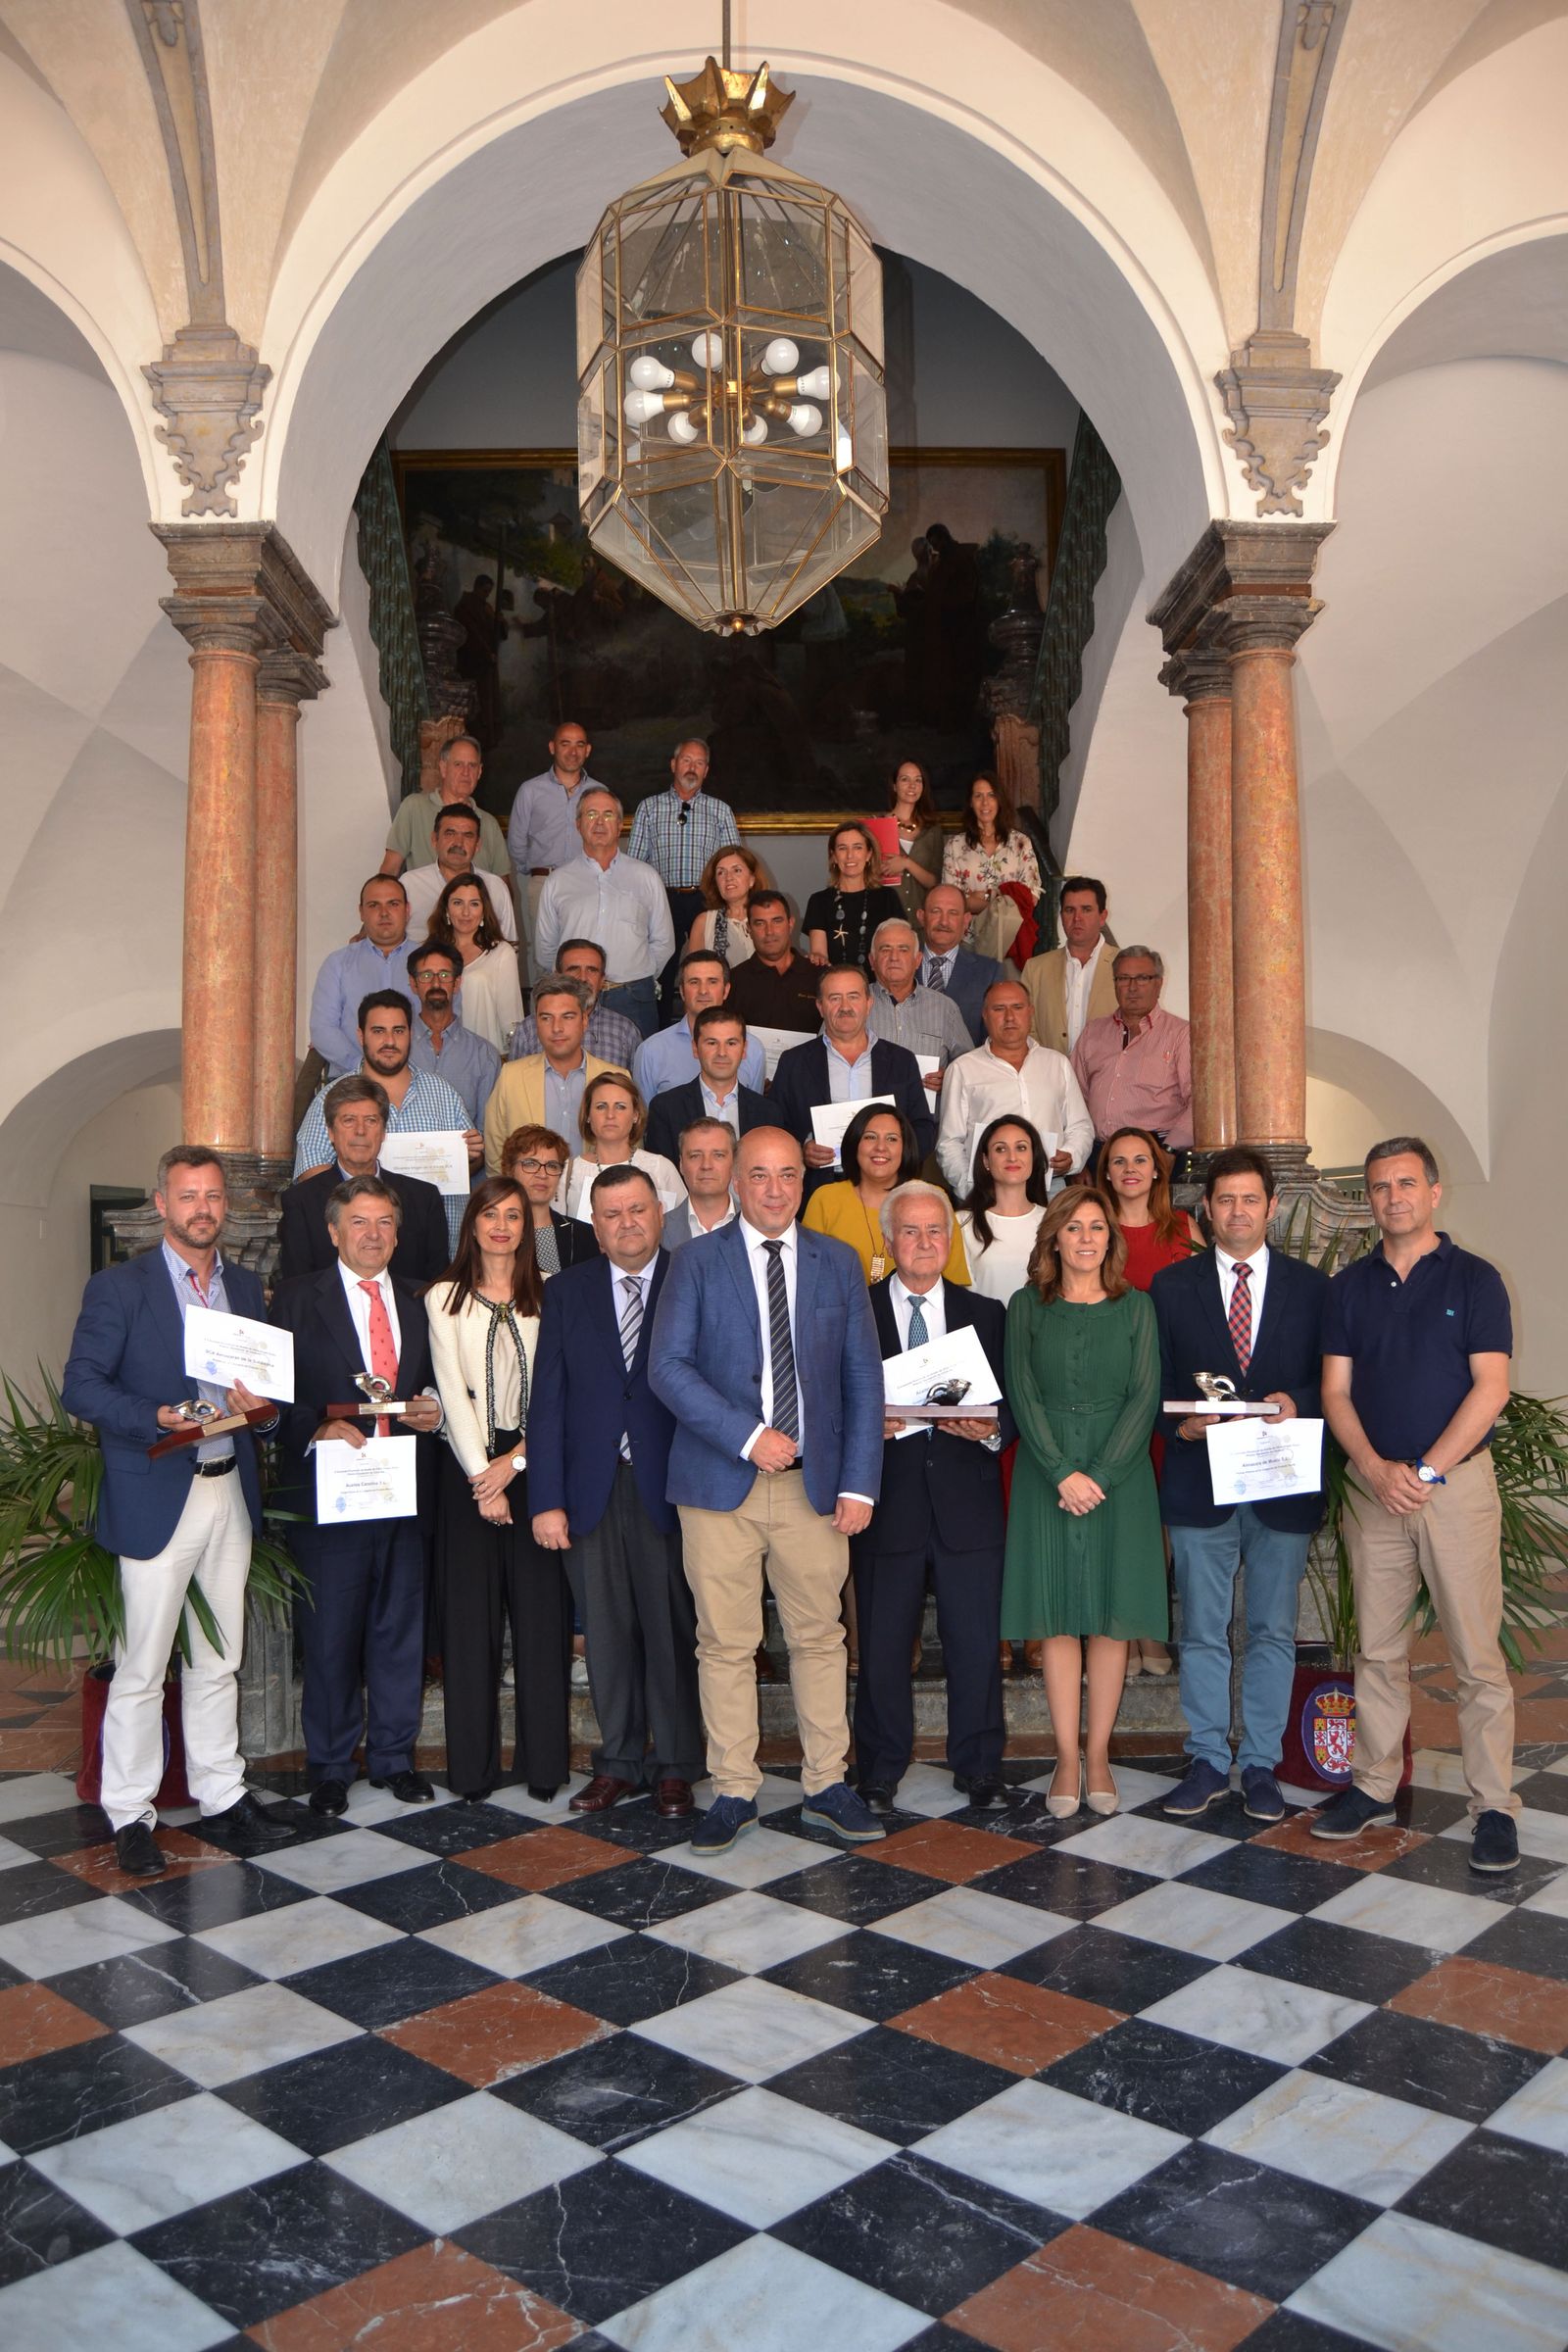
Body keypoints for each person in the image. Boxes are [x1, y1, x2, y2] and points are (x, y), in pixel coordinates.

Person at [649, 1127, 886, 1853]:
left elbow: (861, 1379)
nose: (776, 1188)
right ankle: (733, 1790)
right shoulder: (692, 1262)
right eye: (760, 1175)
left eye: (789, 1174)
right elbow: (668, 1368)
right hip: (722, 1481)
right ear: (735, 1182)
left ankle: (826, 1784)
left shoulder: (837, 1263)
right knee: (724, 1642)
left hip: (816, 1487)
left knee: (820, 1637)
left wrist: (861, 1484)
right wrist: (749, 1436)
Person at [61, 1147, 294, 1877]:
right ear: (161, 1203)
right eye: (189, 1195)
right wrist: (156, 1415)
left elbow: (268, 1400)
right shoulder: (119, 1288)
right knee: (141, 1665)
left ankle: (222, 1795)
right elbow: (82, 1387)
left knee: (219, 1657)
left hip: (230, 1486)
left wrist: (263, 1413)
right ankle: (131, 1814)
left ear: (226, 1207)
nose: (203, 1208)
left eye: (214, 1196)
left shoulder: (247, 1287)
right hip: (158, 1485)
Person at [1313, 1137, 1519, 1875]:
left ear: (1434, 1191)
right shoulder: (1349, 1288)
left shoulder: (1477, 1278)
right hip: (1376, 1493)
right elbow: (1335, 1392)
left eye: (1405, 1183)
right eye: (1378, 1186)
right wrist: (1373, 1467)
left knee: (1475, 1655)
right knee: (1377, 1649)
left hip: (1454, 1489)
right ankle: (1371, 1786)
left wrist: (1427, 1471)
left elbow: (1489, 1388)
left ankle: (1493, 1805)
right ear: (1368, 1199)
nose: (1392, 1196)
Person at [1152, 1149, 1330, 1821]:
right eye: (1224, 1200)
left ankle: (1258, 1764)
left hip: (1281, 1486)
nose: (1237, 1211)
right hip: (1201, 1484)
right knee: (1200, 1630)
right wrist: (1183, 1426)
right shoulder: (1172, 1289)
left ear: (1272, 1206)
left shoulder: (1314, 1288)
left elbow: (1335, 1380)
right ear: (1207, 1209)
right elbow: (1158, 1384)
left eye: (1250, 1199)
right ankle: (1205, 1759)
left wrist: (1300, 1402)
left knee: (1271, 1632)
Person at [530, 1166, 705, 1817]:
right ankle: (620, 1761)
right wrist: (546, 1498)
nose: (625, 1223)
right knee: (605, 1633)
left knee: (671, 1630)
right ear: (593, 1225)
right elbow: (547, 1401)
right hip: (590, 1491)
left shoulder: (692, 1279)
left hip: (675, 1485)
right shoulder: (568, 1291)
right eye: (610, 1214)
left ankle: (678, 1764)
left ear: (659, 1214)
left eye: (636, 1210)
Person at [270, 1176, 445, 1814]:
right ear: (334, 1231)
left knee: (400, 1632)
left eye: (384, 1224)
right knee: (331, 1636)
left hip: (404, 1491)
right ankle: (331, 1765)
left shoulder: (423, 1300)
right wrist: (314, 1424)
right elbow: (271, 1397)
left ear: (399, 1235)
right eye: (360, 1223)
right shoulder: (294, 1300)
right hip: (329, 1497)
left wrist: (435, 1412)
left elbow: (435, 1386)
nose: (373, 1235)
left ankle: (395, 1758)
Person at [1003, 1186, 1164, 1819]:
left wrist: (1096, 1472)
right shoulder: (1025, 1307)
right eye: (1075, 1228)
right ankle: (1065, 1758)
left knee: (1111, 1616)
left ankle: (1098, 1755)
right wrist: (1061, 1471)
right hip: (1048, 1477)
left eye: (1097, 1227)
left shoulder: (1136, 1309)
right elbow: (1022, 1392)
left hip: (1118, 1477)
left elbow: (1144, 1395)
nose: (1088, 1238)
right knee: (1058, 1616)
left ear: (1110, 1240)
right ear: (1055, 1240)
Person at [853, 1183, 1013, 1813]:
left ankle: (979, 1765)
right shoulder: (855, 1310)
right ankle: (880, 1767)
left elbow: (1012, 1409)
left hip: (966, 1506)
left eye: (936, 1232)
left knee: (975, 1645)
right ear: (889, 1241)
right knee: (884, 1646)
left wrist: (992, 1428)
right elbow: (831, 1404)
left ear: (950, 1240)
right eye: (911, 1232)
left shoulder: (988, 1313)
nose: (924, 1243)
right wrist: (868, 1425)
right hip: (884, 1502)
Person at [426, 1178, 568, 1803]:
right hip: (467, 1477)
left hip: (537, 1471)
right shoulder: (441, 1298)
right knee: (470, 1628)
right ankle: (473, 1771)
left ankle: (543, 1767)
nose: (503, 1226)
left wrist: (514, 1465)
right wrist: (484, 1478)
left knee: (541, 1623)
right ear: (472, 1223)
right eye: (491, 1214)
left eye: (514, 1215)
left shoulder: (552, 1296)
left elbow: (561, 1395)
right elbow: (451, 1393)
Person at [1102, 1124, 1199, 1678]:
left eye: (1141, 1159)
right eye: (1119, 1161)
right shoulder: (1092, 1228)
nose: (1131, 1170)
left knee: (1156, 1515)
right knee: (1117, 1512)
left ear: (1159, 1168)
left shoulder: (1184, 1228)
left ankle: (1149, 1629)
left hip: (1166, 1389)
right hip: (1109, 1389)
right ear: (1106, 1172)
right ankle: (1119, 1628)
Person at [295, 992, 478, 1252]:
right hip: (363, 1250)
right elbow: (310, 1173)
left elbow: (467, 1167)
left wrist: (470, 1153)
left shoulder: (442, 1092)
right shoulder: (332, 1098)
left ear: (410, 1034)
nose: (389, 1041)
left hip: (441, 1249)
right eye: (379, 1031)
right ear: (361, 1036)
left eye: (398, 1031)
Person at [770, 963, 935, 1198]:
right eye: (834, 998)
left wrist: (893, 1154)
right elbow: (775, 1128)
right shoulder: (793, 1062)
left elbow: (924, 1129)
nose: (845, 1007)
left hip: (888, 1192)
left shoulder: (901, 1061)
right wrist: (800, 1151)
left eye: (853, 997)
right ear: (820, 1006)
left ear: (869, 1004)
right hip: (818, 1190)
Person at [277, 1075, 449, 1286]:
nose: (360, 1131)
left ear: (384, 1131)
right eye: (349, 1120)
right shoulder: (301, 1201)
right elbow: (297, 1291)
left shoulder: (424, 1199)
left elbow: (439, 1288)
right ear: (331, 1132)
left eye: (371, 1120)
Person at [534, 787, 674, 1037]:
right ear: (578, 824)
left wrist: (636, 975)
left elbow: (664, 942)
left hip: (633, 999)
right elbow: (546, 948)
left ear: (620, 825)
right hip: (574, 998)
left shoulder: (646, 877)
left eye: (608, 815)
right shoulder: (558, 880)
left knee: (635, 1074)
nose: (599, 822)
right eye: (591, 814)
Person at [938, 978, 1094, 1200]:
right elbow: (949, 1142)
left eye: (1017, 1007)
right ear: (985, 1014)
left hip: (1049, 1188)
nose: (1009, 1017)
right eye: (999, 1009)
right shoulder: (963, 1069)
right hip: (988, 1190)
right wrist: (972, 1190)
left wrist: (1072, 1156)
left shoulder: (1057, 1064)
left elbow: (1080, 1126)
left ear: (1030, 1011)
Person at [805, 1102, 970, 1286]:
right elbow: (808, 1278)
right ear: (855, 1144)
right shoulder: (825, 1199)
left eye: (892, 1139)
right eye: (870, 1137)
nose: (880, 1147)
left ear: (905, 1147)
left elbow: (955, 1283)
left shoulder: (932, 1198)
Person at [627, 736, 742, 1000]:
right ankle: (660, 1031)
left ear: (706, 771)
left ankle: (715, 1022)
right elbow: (635, 864)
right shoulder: (649, 808)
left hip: (707, 900)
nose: (692, 768)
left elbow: (733, 863)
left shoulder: (720, 810)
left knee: (711, 965)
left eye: (699, 763)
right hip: (662, 899)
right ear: (673, 764)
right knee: (662, 969)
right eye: (687, 761)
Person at [483, 973, 626, 1174]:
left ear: (584, 1020)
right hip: (529, 1200)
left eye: (567, 1017)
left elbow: (632, 1151)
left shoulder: (617, 1078)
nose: (557, 1028)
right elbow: (495, 1153)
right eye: (546, 1018)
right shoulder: (511, 1077)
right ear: (536, 1024)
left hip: (599, 1199)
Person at [1071, 946, 1193, 1152]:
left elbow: (1199, 1103)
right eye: (1124, 978)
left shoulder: (1181, 1034)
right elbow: (1072, 1099)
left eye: (1142, 978)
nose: (1132, 987)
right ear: (1115, 984)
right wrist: (1078, 1158)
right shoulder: (1093, 1032)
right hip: (1098, 1154)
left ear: (1159, 983)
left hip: (1156, 1152)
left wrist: (1169, 1151)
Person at [506, 718, 599, 981]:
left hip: (586, 884)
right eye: (565, 743)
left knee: (585, 954)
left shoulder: (599, 792)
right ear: (552, 747)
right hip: (543, 882)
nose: (572, 751)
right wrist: (536, 871)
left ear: (588, 750)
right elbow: (516, 842)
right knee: (544, 956)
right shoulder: (530, 790)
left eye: (579, 744)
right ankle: (543, 1018)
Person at [310, 875, 415, 1074]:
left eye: (393, 904)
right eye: (374, 905)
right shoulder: (337, 964)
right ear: (361, 912)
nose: (384, 913)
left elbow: (440, 1024)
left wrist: (405, 1071)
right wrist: (362, 1066)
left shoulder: (429, 962)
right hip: (351, 1080)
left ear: (407, 910)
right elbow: (323, 1028)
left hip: (414, 1082)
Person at [632, 949, 766, 1100]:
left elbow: (754, 1114)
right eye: (694, 982)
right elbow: (644, 1119)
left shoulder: (753, 1049)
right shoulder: (651, 1051)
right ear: (682, 991)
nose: (703, 991)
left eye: (712, 982)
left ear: (726, 990)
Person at [868, 918, 974, 1105]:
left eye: (903, 949)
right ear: (872, 960)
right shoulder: (852, 1004)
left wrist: (949, 1079)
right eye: (885, 949)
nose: (894, 957)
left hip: (926, 1126)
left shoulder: (944, 1008)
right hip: (865, 1124)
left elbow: (970, 1066)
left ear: (918, 960)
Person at [645, 1004, 769, 1163]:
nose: (722, 1053)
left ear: (744, 1049)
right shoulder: (665, 1108)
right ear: (695, 1048)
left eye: (731, 1043)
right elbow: (662, 1180)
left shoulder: (767, 1112)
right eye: (712, 1043)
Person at [940, 773, 1041, 965]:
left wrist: (984, 897)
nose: (985, 802)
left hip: (1011, 942)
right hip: (970, 942)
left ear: (999, 800)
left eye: (991, 795)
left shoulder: (1020, 842)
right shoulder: (954, 846)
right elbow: (953, 902)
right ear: (970, 802)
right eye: (978, 796)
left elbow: (1031, 897)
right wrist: (1002, 904)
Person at [380, 733, 510, 882]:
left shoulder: (490, 823)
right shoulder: (414, 808)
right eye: (458, 764)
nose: (466, 773)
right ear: (443, 768)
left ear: (479, 772)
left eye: (472, 765)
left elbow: (503, 885)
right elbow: (390, 869)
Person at [560, 1069, 685, 1220]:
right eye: (601, 1106)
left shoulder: (660, 1167)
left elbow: (683, 1230)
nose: (610, 1115)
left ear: (635, 1115)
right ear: (587, 1115)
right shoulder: (568, 1172)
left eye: (620, 1106)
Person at [506, 937, 643, 1074]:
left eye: (592, 970)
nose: (583, 978)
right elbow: (515, 1086)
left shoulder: (625, 1031)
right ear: (558, 975)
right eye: (573, 969)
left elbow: (635, 1091)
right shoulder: (528, 1030)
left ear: (602, 980)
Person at [423, 873, 523, 1055]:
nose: (466, 912)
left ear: (484, 911)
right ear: (446, 909)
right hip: (437, 1056)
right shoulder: (429, 954)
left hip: (486, 1058)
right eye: (458, 903)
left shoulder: (501, 953)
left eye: (474, 904)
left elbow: (511, 1019)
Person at [956, 1114, 1053, 1303]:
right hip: (983, 1329)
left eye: (1021, 1148)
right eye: (1000, 1149)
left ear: (1034, 1156)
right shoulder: (962, 1223)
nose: (1012, 1157)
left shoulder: (1053, 1220)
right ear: (985, 1161)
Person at [403, 941, 499, 1128]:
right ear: (413, 984)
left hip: (466, 1156)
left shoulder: (483, 1054)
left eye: (445, 975)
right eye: (426, 975)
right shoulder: (397, 1048)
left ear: (457, 983)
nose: (436, 983)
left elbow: (486, 1130)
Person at [1021, 874, 1116, 1058]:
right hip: (1049, 1077)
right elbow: (1026, 1028)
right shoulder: (1035, 969)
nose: (1077, 918)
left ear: (1102, 916)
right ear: (1061, 915)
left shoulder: (1124, 966)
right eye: (1069, 910)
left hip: (1108, 1078)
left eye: (1086, 909)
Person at [402, 802, 516, 941]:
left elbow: (510, 943)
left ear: (477, 845)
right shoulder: (409, 884)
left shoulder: (495, 887)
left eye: (468, 835)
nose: (458, 843)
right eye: (450, 834)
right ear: (434, 840)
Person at [500, 1123, 601, 1276]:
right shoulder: (497, 1233)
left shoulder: (585, 1235)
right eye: (531, 1164)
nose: (542, 1174)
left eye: (552, 1166)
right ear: (509, 1170)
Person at [804, 820, 904, 970]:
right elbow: (819, 954)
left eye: (857, 847)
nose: (850, 856)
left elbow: (898, 949)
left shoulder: (887, 897)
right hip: (836, 985)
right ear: (834, 856)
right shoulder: (819, 901)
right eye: (842, 848)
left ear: (869, 854)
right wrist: (817, 958)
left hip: (880, 986)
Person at [915, 883, 1005, 1047]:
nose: (944, 921)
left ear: (966, 920)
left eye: (953, 913)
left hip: (967, 1070)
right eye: (936, 911)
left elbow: (995, 1040)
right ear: (921, 917)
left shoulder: (989, 972)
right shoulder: (899, 965)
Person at [725, 888, 821, 1033]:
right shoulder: (733, 982)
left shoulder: (819, 976)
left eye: (777, 921)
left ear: (790, 924)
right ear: (748, 929)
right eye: (760, 923)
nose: (769, 931)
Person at [882, 759, 944, 922]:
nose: (912, 785)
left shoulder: (933, 829)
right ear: (894, 786)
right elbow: (868, 878)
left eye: (918, 780)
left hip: (923, 922)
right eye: (905, 779)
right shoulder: (877, 827)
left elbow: (935, 882)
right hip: (886, 920)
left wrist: (907, 864)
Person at [662, 1116, 738, 1249]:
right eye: (695, 1156)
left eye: (718, 1155)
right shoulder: (658, 1228)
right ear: (681, 1164)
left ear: (734, 1163)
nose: (706, 1165)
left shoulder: (756, 1223)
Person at [687, 843, 763, 966]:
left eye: (737, 870)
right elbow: (694, 974)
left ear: (751, 880)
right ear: (716, 883)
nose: (729, 878)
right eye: (721, 873)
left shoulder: (767, 916)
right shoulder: (704, 922)